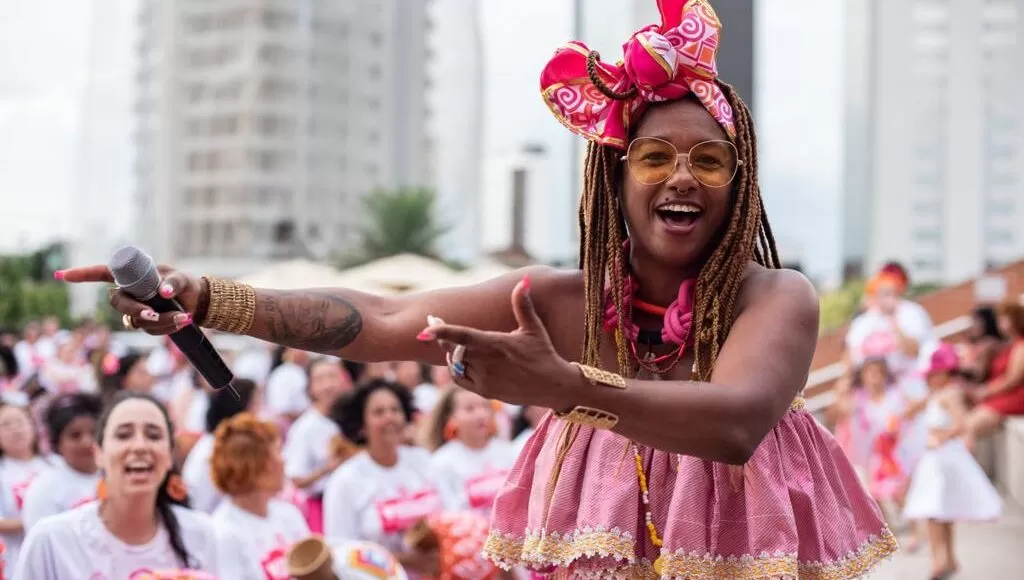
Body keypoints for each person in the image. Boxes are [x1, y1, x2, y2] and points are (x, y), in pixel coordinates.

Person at [60, 0, 894, 576]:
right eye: (655, 157)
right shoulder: (561, 303)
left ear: (738, 182)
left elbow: (738, 422)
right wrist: (207, 297)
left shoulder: (774, 297)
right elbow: (384, 319)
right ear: (617, 179)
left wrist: (567, 388)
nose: (682, 175)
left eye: (708, 159)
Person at [16, 392, 219, 579]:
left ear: (169, 455)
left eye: (154, 435)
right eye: (123, 435)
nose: (139, 446)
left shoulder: (201, 534)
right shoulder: (53, 541)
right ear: (99, 453)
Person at [322, 380, 446, 576]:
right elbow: (341, 552)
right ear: (361, 426)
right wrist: (407, 560)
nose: (390, 417)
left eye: (395, 410)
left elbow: (450, 513)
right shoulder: (345, 480)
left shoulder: (423, 461)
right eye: (379, 413)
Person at [902, 344, 1001, 579]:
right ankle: (948, 559)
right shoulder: (938, 395)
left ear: (945, 373)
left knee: (934, 512)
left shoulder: (949, 395)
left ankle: (939, 560)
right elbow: (910, 413)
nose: (930, 380)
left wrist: (942, 437)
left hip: (943, 458)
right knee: (940, 511)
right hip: (936, 459)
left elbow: (963, 422)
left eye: (934, 375)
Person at [210, 413, 310, 579]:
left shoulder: (289, 515)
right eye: (277, 451)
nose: (283, 461)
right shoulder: (224, 532)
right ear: (257, 467)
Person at [21, 392, 103, 530]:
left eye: (93, 433)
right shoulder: (43, 490)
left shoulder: (117, 476)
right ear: (57, 443)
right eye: (75, 436)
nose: (87, 442)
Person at [0, 403, 53, 576]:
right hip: (17, 564)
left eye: (20, 422)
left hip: (57, 557)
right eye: (6, 425)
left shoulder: (54, 465)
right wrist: (37, 520)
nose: (16, 429)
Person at [964, 299, 1024, 449]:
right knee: (965, 422)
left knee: (969, 425)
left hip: (1015, 397)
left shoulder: (1021, 346)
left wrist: (987, 391)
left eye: (1004, 318)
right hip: (1005, 394)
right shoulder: (1011, 344)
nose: (1000, 322)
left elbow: (1012, 379)